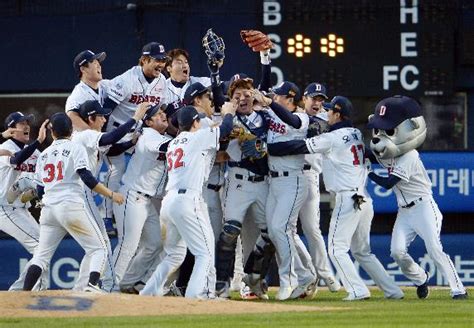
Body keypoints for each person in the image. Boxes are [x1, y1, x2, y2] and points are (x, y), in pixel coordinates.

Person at [267, 96, 404, 301]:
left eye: (330, 111)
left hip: (348, 199)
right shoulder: (356, 133)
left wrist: (272, 148)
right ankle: (393, 291)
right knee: (362, 252)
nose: (327, 113)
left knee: (336, 249)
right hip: (364, 199)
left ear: (338, 114)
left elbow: (301, 147)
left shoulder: (333, 138)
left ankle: (357, 290)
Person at [367, 95, 467, 300]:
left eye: (389, 130)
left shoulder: (409, 155)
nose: (381, 134)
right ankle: (421, 278)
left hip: (423, 207)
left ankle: (458, 289)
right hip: (404, 211)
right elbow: (370, 153)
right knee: (396, 252)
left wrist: (367, 173)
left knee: (434, 249)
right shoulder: (386, 149)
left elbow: (388, 183)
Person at [140, 104, 235, 299]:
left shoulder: (174, 142)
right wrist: (228, 114)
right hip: (188, 200)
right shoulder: (197, 137)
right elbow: (225, 130)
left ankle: (148, 292)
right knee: (204, 254)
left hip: (169, 202)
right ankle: (196, 295)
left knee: (174, 254)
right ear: (195, 122)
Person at [23, 113, 124, 292]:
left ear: (52, 132)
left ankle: (23, 293)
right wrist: (111, 194)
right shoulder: (76, 148)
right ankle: (92, 286)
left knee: (41, 256)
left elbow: (39, 190)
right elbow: (87, 178)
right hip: (70, 205)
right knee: (100, 248)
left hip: (48, 210)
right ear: (71, 129)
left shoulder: (44, 154)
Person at [70, 100, 148, 292]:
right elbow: (109, 139)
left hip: (77, 193)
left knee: (96, 245)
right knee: (101, 244)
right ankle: (89, 286)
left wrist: (130, 143)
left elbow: (110, 148)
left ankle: (81, 287)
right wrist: (135, 118)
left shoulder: (90, 136)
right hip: (79, 192)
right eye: (101, 116)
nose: (105, 119)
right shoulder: (84, 134)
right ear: (90, 118)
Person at [103, 42, 169, 228]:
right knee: (115, 171)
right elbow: (106, 110)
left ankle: (149, 208)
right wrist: (102, 140)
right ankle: (107, 216)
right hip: (115, 132)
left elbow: (161, 109)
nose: (161, 64)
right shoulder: (126, 79)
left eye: (163, 60)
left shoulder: (161, 81)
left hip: (139, 132)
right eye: (157, 60)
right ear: (144, 60)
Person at [263, 81, 318, 300]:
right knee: (282, 232)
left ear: (289, 98)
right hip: (273, 182)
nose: (275, 98)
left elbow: (291, 120)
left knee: (279, 229)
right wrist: (264, 59)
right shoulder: (273, 113)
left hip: (293, 181)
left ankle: (288, 281)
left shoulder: (302, 117)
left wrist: (269, 103)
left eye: (279, 96)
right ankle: (306, 275)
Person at [112, 105, 171, 291]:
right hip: (132, 196)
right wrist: (189, 138)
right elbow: (165, 147)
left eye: (163, 112)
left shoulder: (163, 137)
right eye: (157, 114)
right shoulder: (147, 135)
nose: (163, 115)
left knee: (154, 244)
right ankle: (108, 285)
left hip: (145, 200)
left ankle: (126, 283)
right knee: (128, 244)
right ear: (148, 121)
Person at [299, 82, 341, 292]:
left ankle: (326, 274)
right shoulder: (294, 115)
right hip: (284, 177)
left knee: (311, 229)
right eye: (314, 98)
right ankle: (307, 273)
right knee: (282, 230)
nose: (317, 102)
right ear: (304, 98)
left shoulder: (327, 118)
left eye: (321, 99)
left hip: (309, 175)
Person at [0, 112, 49, 290]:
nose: (27, 125)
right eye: (21, 123)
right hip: (5, 208)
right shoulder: (5, 147)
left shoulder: (35, 152)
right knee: (40, 248)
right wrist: (38, 141)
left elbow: (40, 179)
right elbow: (16, 160)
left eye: (27, 122)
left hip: (21, 208)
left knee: (44, 248)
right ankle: (30, 292)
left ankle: (18, 293)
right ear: (11, 129)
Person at [65, 50, 108, 131]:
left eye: (99, 63)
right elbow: (71, 115)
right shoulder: (78, 93)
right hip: (85, 142)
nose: (99, 66)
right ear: (83, 69)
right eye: (95, 63)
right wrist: (93, 137)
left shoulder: (105, 85)